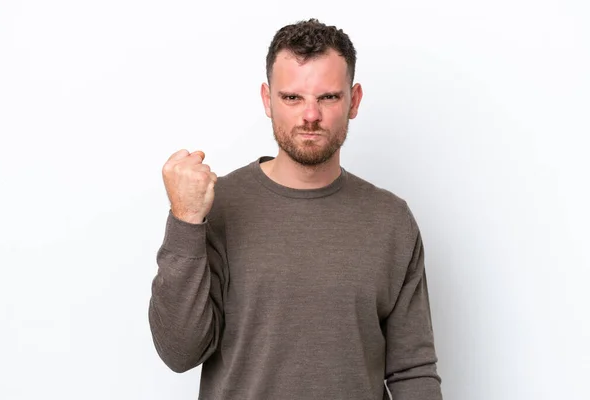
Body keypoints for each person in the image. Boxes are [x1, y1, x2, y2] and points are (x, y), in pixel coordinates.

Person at [148, 18, 443, 400]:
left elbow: (413, 373)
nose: (310, 116)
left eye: (328, 97)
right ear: (267, 99)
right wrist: (185, 220)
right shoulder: (215, 207)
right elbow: (179, 352)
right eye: (292, 98)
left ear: (353, 101)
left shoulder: (391, 221)